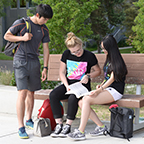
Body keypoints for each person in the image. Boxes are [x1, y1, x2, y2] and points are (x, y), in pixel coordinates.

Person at [4, 4, 53, 139]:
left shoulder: (44, 29)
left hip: (34, 62)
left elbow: (46, 49)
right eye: (45, 19)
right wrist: (22, 38)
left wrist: (45, 67)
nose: (46, 22)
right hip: (20, 61)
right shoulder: (21, 23)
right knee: (22, 92)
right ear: (38, 15)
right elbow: (7, 35)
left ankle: (28, 120)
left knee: (31, 92)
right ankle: (21, 127)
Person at [68, 35, 128, 141]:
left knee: (86, 99)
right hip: (107, 89)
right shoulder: (109, 58)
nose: (103, 50)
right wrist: (101, 85)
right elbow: (107, 77)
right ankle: (101, 127)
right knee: (81, 102)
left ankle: (81, 131)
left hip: (115, 91)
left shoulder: (117, 60)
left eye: (105, 48)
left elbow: (113, 79)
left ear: (110, 48)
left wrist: (99, 90)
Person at [50, 32, 101, 138]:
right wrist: (66, 85)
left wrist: (88, 75)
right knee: (53, 95)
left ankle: (68, 125)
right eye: (74, 52)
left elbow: (98, 71)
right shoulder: (66, 54)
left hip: (82, 86)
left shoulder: (89, 56)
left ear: (81, 45)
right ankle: (59, 124)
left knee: (73, 98)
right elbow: (62, 72)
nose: (77, 53)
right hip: (69, 84)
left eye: (78, 50)